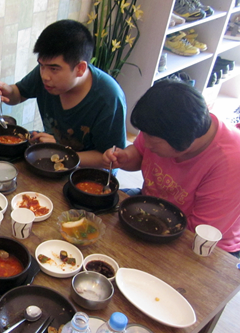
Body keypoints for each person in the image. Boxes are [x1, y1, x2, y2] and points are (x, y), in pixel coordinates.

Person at [102, 79, 240, 256]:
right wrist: (126, 157)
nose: (147, 143)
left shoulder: (230, 163)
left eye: (154, 142)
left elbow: (199, 234)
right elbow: (140, 153)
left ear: (185, 141)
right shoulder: (163, 124)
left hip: (203, 247)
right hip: (150, 207)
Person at [0, 20, 127, 167]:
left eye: (54, 69)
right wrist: (7, 91)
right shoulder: (45, 74)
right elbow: (18, 94)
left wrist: (60, 151)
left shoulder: (109, 98)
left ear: (80, 68)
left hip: (88, 172)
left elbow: (112, 159)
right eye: (41, 65)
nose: (45, 76)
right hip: (52, 156)